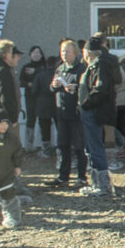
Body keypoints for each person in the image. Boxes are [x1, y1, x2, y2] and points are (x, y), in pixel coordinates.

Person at [45, 39, 88, 188]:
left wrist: (75, 88)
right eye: (62, 51)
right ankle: (63, 177)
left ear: (75, 53)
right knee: (62, 146)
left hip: (76, 114)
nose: (64, 54)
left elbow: (86, 88)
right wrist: (53, 85)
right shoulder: (60, 68)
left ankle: (82, 177)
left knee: (79, 146)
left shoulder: (81, 69)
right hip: (61, 113)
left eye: (67, 51)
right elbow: (51, 89)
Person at [78, 36, 117, 197]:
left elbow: (100, 89)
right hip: (92, 111)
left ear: (88, 53)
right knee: (91, 148)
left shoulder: (99, 66)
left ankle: (103, 186)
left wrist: (85, 103)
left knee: (95, 147)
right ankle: (96, 183)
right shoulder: (97, 65)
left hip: (93, 111)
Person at [19, 46, 45, 150]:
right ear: (30, 55)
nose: (36, 55)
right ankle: (29, 145)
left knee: (43, 119)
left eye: (38, 53)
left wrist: (35, 71)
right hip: (30, 96)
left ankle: (43, 144)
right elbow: (21, 81)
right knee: (31, 119)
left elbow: (45, 76)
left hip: (42, 97)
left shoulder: (44, 67)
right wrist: (30, 84)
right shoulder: (26, 67)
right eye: (34, 53)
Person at [31, 55, 58, 158]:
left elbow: (34, 90)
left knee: (45, 129)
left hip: (42, 104)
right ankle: (62, 148)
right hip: (56, 103)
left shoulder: (40, 74)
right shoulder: (58, 74)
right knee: (60, 127)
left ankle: (46, 150)